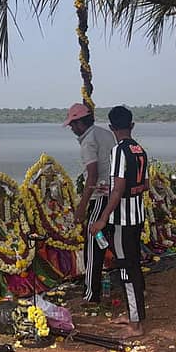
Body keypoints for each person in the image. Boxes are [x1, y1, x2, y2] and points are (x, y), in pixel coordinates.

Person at [90, 105, 148, 338]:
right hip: (137, 216)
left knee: (126, 269)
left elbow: (119, 189)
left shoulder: (118, 151)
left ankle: (136, 324)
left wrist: (102, 219)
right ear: (131, 125)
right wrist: (116, 189)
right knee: (134, 265)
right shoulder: (140, 150)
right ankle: (133, 313)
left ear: (111, 127)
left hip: (122, 221)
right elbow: (143, 185)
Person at [64, 102, 116, 306]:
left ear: (80, 123)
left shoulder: (88, 142)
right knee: (114, 242)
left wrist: (82, 207)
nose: (72, 129)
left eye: (72, 125)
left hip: (100, 198)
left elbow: (92, 175)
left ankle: (91, 294)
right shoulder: (105, 134)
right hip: (115, 195)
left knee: (93, 246)